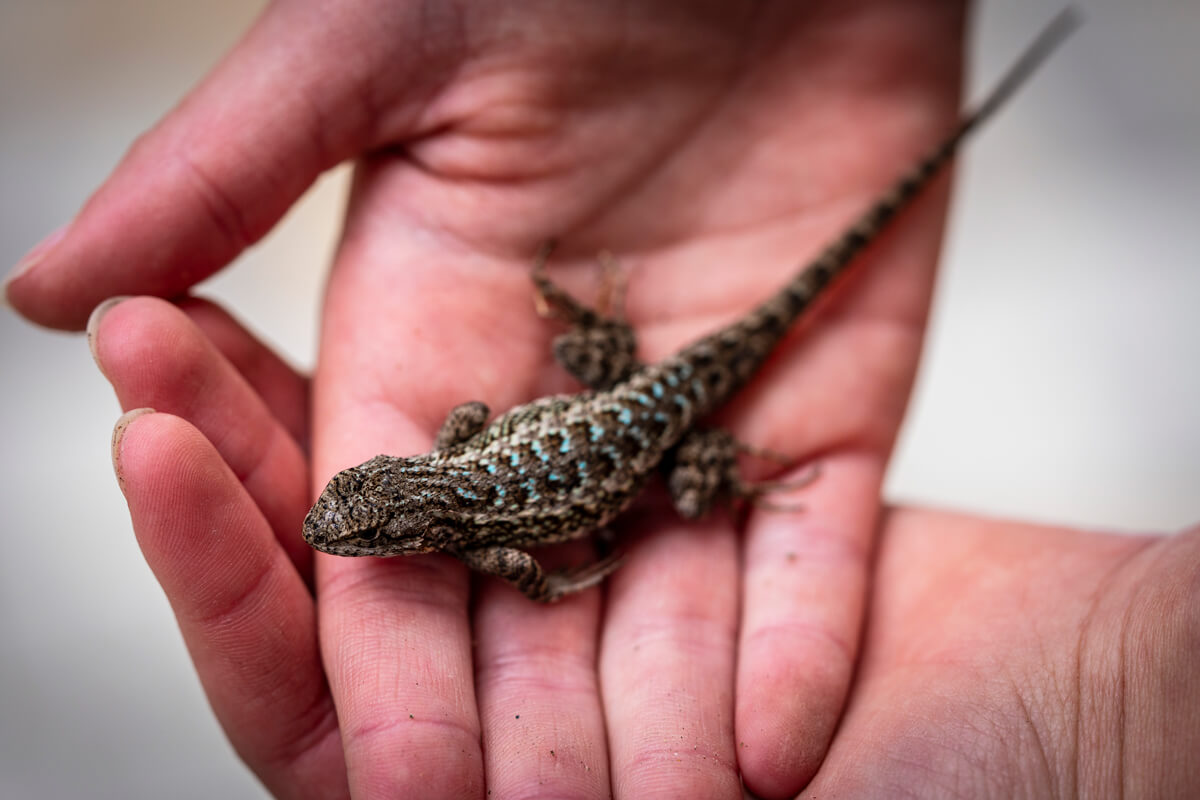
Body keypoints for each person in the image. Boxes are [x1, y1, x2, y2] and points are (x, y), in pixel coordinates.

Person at [7, 2, 1197, 797]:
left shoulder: (489, 541)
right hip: (626, 382)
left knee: (691, 481)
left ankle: (734, 468)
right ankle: (640, 360)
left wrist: (579, 564)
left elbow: (535, 555)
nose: (347, 537)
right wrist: (580, 342)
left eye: (360, 524)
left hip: (661, 415)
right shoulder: (463, 485)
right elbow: (484, 438)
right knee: (639, 410)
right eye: (355, 525)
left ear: (411, 518)